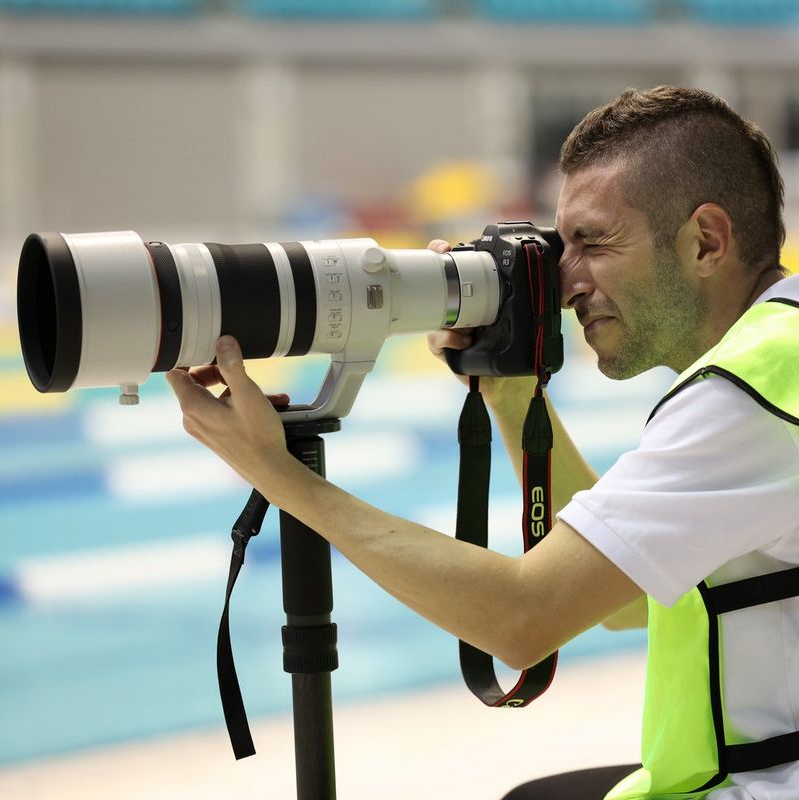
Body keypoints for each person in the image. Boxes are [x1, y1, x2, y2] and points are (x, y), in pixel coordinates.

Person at [166, 86, 799, 799]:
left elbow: (523, 618)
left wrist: (278, 475)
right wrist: (511, 390)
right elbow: (625, 600)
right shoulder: (780, 355)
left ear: (706, 242)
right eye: (561, 247)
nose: (566, 283)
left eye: (594, 243)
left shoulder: (745, 394)